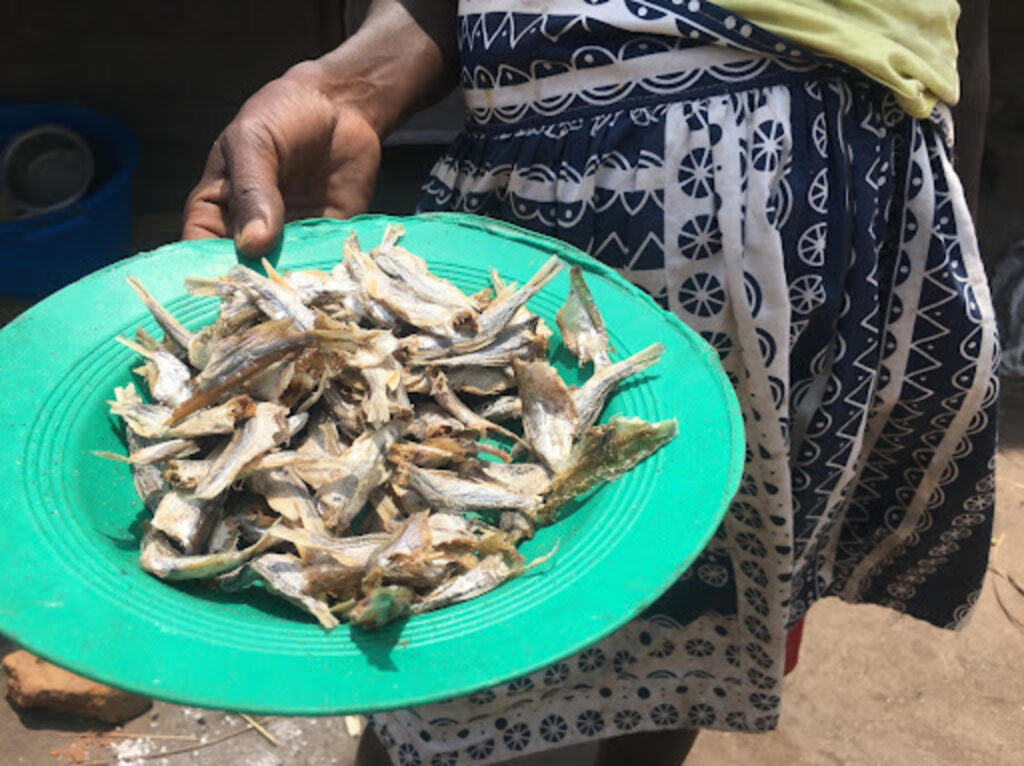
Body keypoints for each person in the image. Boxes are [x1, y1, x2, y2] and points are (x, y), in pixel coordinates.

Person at [183, 3, 997, 765]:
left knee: (676, 620)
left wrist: (925, 245)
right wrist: (353, 86)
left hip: (779, 202)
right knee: (439, 635)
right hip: (526, 169)